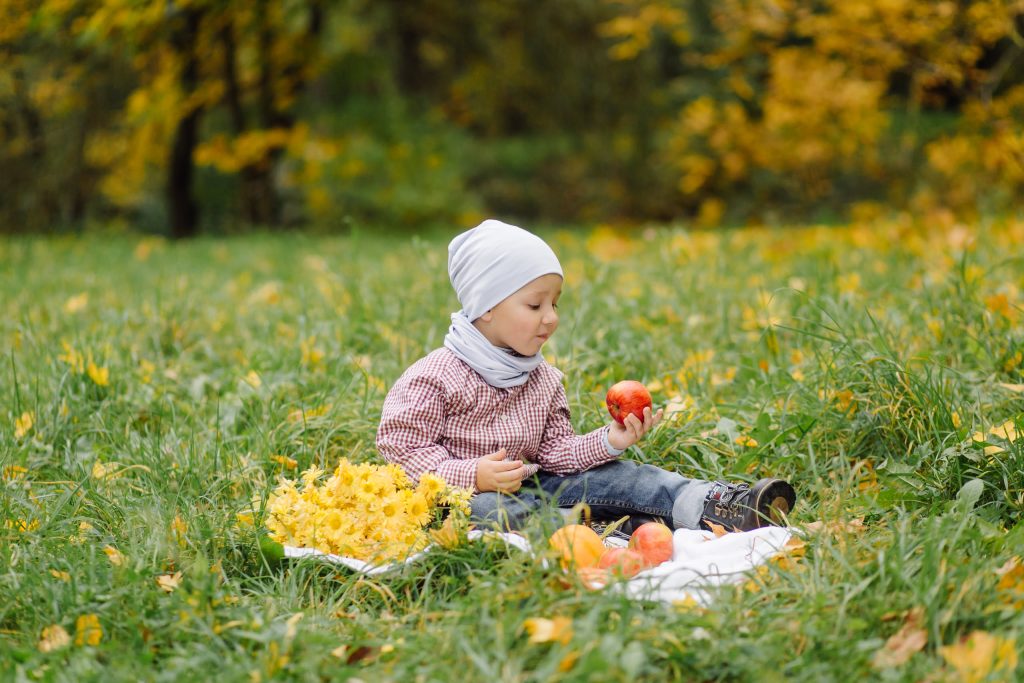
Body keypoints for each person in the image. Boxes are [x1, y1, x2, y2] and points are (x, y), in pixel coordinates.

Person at [376, 219, 795, 534]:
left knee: (626, 476)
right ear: (486, 306)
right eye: (535, 305)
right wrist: (472, 476)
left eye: (554, 304)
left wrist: (611, 440)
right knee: (489, 513)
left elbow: (555, 453)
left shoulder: (542, 378)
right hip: (462, 496)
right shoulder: (434, 377)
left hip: (536, 483)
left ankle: (720, 506)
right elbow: (401, 450)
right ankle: (598, 530)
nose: (551, 318)